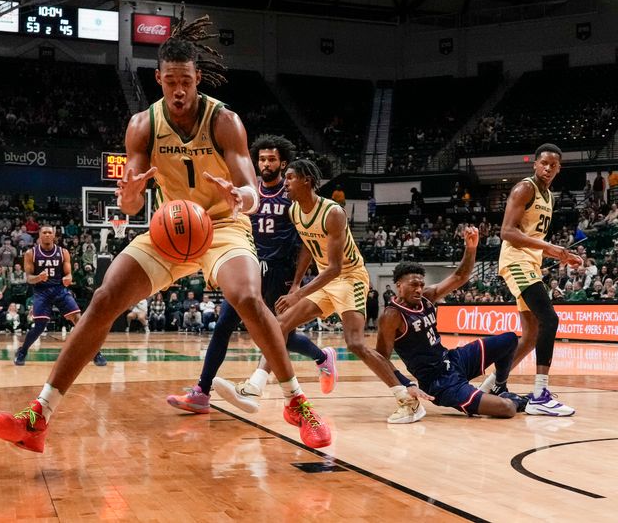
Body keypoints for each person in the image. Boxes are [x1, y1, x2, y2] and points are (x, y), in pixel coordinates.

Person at [0, 14, 331, 452]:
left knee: (247, 297)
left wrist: (240, 197)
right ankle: (39, 415)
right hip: (171, 228)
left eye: (185, 81)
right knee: (105, 298)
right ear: (159, 80)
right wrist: (129, 195)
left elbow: (251, 190)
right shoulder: (142, 125)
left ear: (197, 77)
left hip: (223, 224)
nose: (179, 90)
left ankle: (294, 402)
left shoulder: (224, 120)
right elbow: (130, 203)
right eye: (170, 82)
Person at [213, 160, 422, 423]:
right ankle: (255, 386)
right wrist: (298, 283)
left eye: (289, 178)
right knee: (279, 325)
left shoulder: (332, 212)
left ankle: (407, 399)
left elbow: (335, 269)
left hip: (349, 277)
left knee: (355, 343)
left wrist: (297, 295)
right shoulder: (295, 212)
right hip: (324, 280)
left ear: (306, 180)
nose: (285, 183)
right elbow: (308, 247)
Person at [167, 134, 334, 413]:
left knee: (276, 335)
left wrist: (296, 285)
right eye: (262, 159)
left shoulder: (292, 194)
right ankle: (201, 391)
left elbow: (306, 242)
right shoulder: (248, 191)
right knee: (223, 326)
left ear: (283, 163)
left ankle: (320, 357)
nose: (266, 164)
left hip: (280, 272)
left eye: (272, 159)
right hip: (248, 266)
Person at [376, 234, 529, 420]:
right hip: (439, 383)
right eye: (413, 285)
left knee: (510, 339)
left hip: (454, 360)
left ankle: (499, 386)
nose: (418, 289)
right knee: (507, 409)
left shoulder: (427, 297)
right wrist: (407, 384)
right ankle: (513, 400)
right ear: (399, 285)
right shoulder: (392, 315)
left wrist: (471, 248)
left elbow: (460, 276)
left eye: (421, 284)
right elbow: (380, 358)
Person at [479, 144, 582, 416]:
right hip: (515, 261)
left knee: (531, 334)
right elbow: (507, 232)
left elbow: (533, 238)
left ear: (559, 168)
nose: (548, 168)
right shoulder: (524, 189)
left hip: (530, 263)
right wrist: (551, 249)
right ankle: (540, 394)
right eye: (544, 163)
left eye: (553, 165)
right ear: (535, 164)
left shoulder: (549, 196)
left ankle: (488, 386)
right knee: (550, 319)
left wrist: (561, 255)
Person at [12, 225, 106, 367]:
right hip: (41, 291)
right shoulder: (31, 253)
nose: (48, 235)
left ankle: (95, 353)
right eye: (45, 232)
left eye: (50, 232)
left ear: (54, 235)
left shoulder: (63, 252)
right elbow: (29, 278)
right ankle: (22, 351)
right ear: (40, 235)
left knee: (79, 321)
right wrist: (38, 278)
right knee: (39, 326)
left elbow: (68, 274)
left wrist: (68, 278)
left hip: (59, 290)